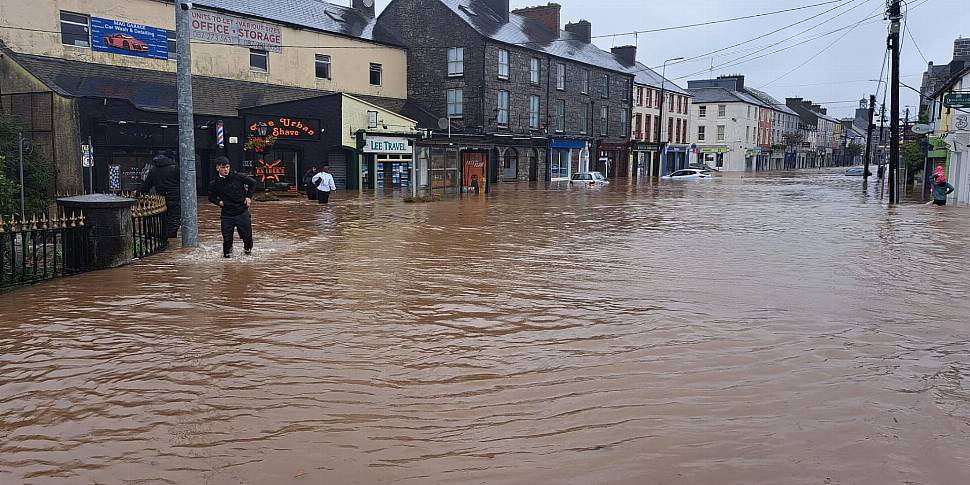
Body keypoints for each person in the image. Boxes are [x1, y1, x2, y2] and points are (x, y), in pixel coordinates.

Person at [208, 157, 258, 258]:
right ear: (218, 168)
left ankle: (247, 253)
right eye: (223, 167)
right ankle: (227, 259)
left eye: (227, 167)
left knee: (247, 237)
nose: (226, 169)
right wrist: (219, 202)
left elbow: (253, 183)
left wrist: (248, 197)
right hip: (227, 214)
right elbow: (211, 197)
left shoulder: (238, 176)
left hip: (242, 211)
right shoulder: (214, 183)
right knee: (227, 239)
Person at [139, 151, 181, 238]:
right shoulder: (175, 168)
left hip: (160, 198)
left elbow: (146, 185)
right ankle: (171, 237)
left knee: (163, 218)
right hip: (175, 198)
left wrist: (139, 193)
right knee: (174, 218)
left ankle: (164, 237)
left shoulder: (153, 169)